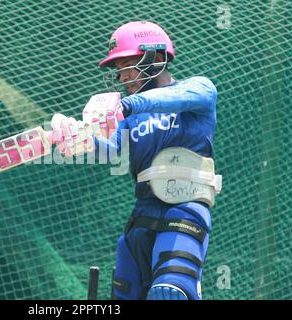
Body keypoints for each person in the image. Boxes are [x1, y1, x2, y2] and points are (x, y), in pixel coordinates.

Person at [51, 21, 221, 300]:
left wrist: (126, 106)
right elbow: (111, 149)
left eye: (127, 65)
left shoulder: (198, 90)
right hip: (141, 216)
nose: (122, 78)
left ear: (154, 59)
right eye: (119, 70)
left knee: (171, 293)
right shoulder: (129, 117)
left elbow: (175, 97)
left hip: (185, 211)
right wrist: (79, 140)